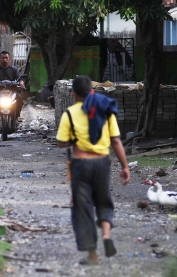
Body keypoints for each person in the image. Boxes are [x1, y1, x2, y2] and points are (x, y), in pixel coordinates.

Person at [56, 75, 130, 265]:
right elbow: (115, 141)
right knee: (104, 202)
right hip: (102, 163)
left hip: (81, 165)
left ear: (73, 94)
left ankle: (92, 255)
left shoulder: (70, 114)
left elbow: (61, 143)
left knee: (83, 209)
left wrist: (74, 140)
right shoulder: (105, 111)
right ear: (92, 92)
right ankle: (106, 235)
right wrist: (125, 166)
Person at [0, 51, 25, 124]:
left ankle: (16, 117)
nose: (5, 60)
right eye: (3, 58)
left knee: (19, 99)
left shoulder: (14, 69)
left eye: (6, 58)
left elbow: (19, 78)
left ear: (9, 59)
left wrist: (21, 82)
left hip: (12, 90)